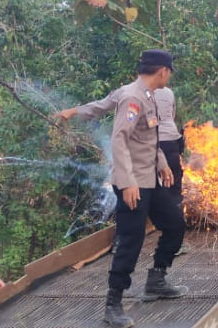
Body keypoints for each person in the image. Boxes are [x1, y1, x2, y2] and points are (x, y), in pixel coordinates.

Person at [102, 49, 188, 328]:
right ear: (162, 70)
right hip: (133, 183)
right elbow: (120, 140)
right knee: (131, 238)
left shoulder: (150, 95)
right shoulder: (132, 98)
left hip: (149, 177)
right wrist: (127, 183)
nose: (170, 74)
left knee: (175, 223)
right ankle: (113, 303)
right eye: (170, 70)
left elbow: (150, 138)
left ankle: (157, 279)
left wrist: (162, 162)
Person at [57, 82, 189, 258]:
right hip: (169, 143)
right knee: (172, 193)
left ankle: (121, 242)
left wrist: (73, 111)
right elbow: (169, 118)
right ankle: (174, 244)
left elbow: (100, 106)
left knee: (131, 193)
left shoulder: (128, 92)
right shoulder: (168, 92)